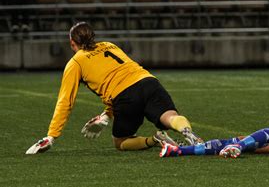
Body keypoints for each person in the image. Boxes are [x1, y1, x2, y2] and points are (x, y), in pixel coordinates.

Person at [26, 21, 202, 154]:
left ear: (72, 43)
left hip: (125, 96)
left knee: (120, 141)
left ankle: (155, 140)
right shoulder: (109, 45)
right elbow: (120, 74)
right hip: (148, 81)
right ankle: (187, 132)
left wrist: (52, 135)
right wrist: (106, 114)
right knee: (170, 116)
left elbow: (65, 101)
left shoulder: (75, 63)